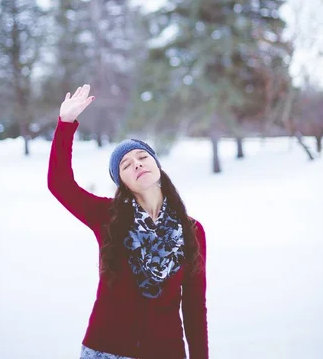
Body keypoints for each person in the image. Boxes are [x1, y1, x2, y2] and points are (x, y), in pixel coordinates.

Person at [48, 84, 209, 359]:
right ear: (122, 182)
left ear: (157, 165)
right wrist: (66, 123)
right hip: (106, 350)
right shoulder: (108, 217)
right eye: (125, 164)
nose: (136, 163)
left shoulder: (191, 231)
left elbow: (194, 307)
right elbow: (59, 184)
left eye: (142, 156)